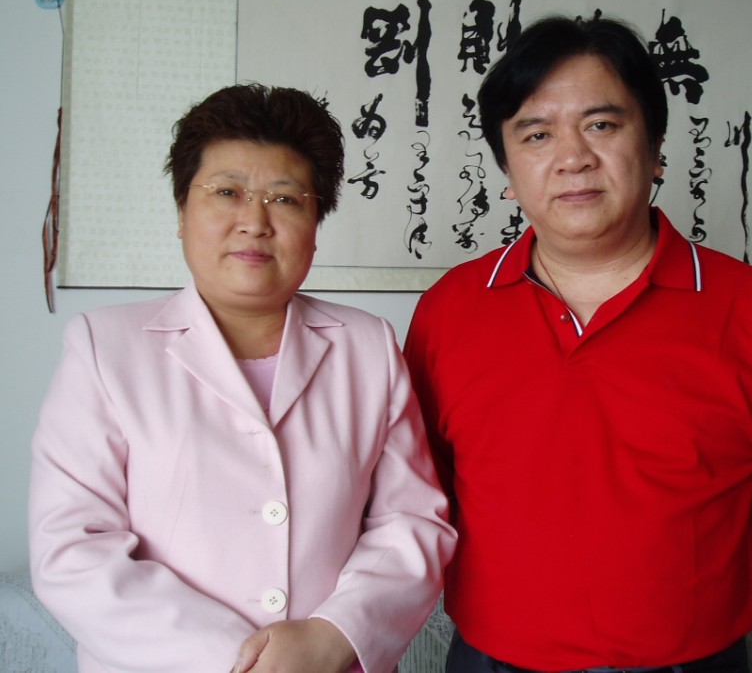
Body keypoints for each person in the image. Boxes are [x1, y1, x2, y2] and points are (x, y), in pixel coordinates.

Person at [403, 16, 752, 673]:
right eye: (536, 134)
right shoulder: (448, 311)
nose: (573, 157)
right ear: (506, 170)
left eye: (602, 125)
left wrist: (674, 584)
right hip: (490, 660)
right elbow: (419, 497)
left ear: (655, 146)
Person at [30, 84, 456, 673]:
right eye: (227, 192)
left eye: (286, 199)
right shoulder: (105, 348)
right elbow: (73, 549)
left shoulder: (368, 347)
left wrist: (333, 636)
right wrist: (238, 661)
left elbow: (410, 521)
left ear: (315, 225)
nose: (254, 222)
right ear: (182, 213)